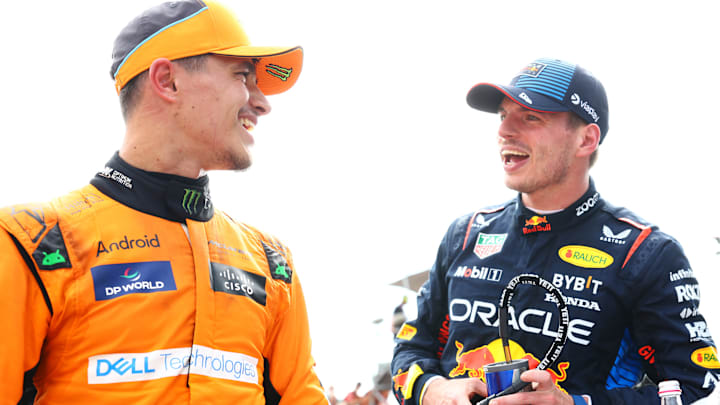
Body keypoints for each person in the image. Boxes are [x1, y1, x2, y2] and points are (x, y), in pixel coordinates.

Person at [0, 1, 327, 404]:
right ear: (167, 80)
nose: (261, 102)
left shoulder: (271, 261)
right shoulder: (32, 241)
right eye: (243, 75)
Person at [390, 58, 718, 404]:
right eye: (503, 116)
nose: (504, 131)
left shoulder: (644, 253)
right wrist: (432, 388)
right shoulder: (465, 234)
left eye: (530, 117)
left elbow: (696, 383)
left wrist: (575, 404)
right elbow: (411, 346)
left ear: (585, 139)